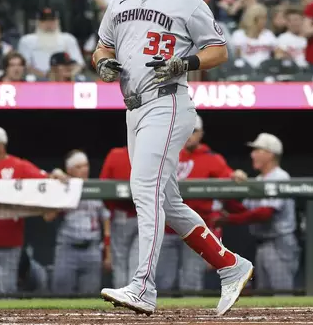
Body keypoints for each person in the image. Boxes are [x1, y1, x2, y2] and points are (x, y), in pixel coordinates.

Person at [92, 0, 253, 316]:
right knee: (167, 200)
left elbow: (218, 50)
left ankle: (143, 287)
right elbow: (103, 46)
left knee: (144, 190)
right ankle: (230, 265)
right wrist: (101, 63)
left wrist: (186, 63)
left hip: (168, 103)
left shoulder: (187, 3)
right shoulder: (119, 1)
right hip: (133, 107)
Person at [0, 126, 67, 294]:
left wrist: (56, 173)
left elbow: (46, 178)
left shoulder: (18, 165)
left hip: (10, 240)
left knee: (7, 289)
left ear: (0, 145)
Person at [156, 115, 248, 292]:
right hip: (167, 228)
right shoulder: (169, 154)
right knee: (162, 281)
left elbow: (230, 176)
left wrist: (236, 175)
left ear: (201, 134)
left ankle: (190, 319)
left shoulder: (211, 158)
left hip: (194, 230)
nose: (189, 135)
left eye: (194, 132)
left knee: (191, 281)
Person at [215, 133, 299, 291]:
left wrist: (231, 220)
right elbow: (246, 210)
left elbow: (264, 214)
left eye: (257, 150)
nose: (252, 154)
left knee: (281, 294)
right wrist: (226, 196)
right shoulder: (260, 180)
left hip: (279, 243)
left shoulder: (280, 177)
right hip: (262, 244)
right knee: (264, 295)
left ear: (270, 154)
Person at [47, 150, 111, 295]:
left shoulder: (96, 189)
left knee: (90, 297)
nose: (85, 169)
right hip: (67, 249)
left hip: (92, 250)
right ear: (69, 170)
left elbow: (106, 220)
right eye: (79, 167)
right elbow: (48, 216)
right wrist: (61, 187)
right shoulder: (62, 187)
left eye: (86, 165)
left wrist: (108, 254)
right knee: (61, 295)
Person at [99, 146, 139, 289]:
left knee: (122, 263)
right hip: (143, 215)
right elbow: (103, 187)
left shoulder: (116, 154)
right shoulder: (117, 155)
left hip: (123, 216)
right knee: (135, 263)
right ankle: (134, 297)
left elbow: (103, 188)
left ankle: (123, 300)